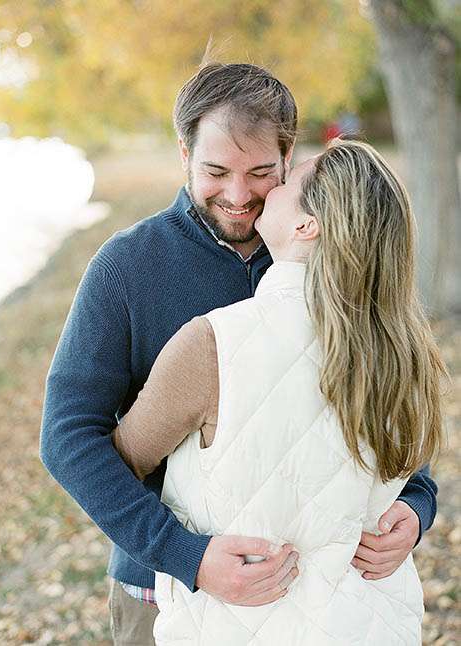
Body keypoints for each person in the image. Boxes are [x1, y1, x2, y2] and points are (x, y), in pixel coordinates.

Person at [40, 63, 438, 645]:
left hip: (328, 601)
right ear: (184, 154)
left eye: (259, 173)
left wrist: (416, 504)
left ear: (287, 159)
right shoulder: (126, 269)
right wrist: (186, 556)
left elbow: (384, 402)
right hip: (164, 587)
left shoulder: (346, 266)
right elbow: (68, 437)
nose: (236, 195)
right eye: (215, 171)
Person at [114, 138, 444, 644]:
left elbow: (121, 462)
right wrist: (417, 509)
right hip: (372, 626)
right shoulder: (404, 352)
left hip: (232, 628)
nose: (268, 190)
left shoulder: (209, 343)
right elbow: (406, 473)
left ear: (306, 225)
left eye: (285, 181)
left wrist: (187, 555)